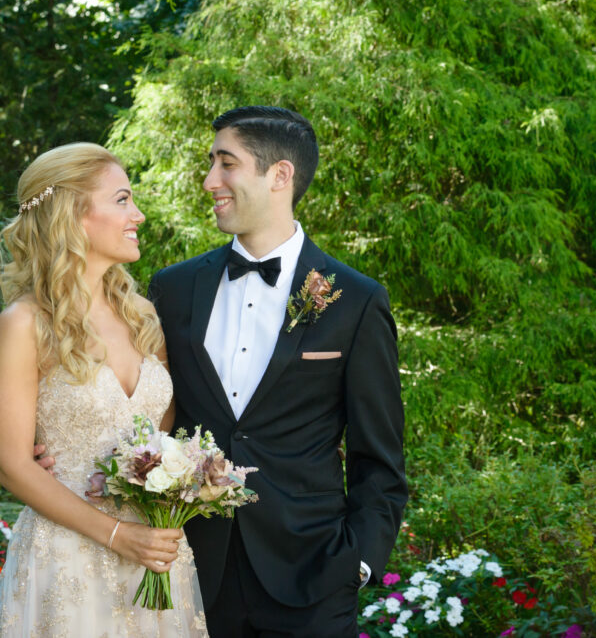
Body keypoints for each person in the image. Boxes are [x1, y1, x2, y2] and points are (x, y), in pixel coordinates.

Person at [147, 106, 408, 637]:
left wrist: (356, 564)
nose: (209, 180)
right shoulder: (172, 290)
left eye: (226, 164)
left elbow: (379, 456)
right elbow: (145, 405)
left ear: (280, 175)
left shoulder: (355, 300)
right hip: (192, 573)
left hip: (312, 577)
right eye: (211, 163)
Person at [0, 143, 208, 637]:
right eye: (123, 199)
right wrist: (117, 534)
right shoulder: (24, 323)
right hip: (65, 558)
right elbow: (11, 464)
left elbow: (157, 436)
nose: (139, 214)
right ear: (73, 214)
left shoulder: (142, 315)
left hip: (155, 553)